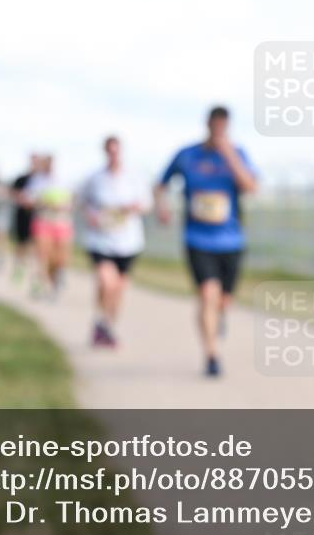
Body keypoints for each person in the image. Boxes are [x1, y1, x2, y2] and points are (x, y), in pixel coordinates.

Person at [155, 106, 259, 377]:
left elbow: (252, 187)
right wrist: (162, 207)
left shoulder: (238, 154)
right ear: (208, 125)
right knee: (207, 294)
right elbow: (160, 184)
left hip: (231, 239)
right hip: (197, 238)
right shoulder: (187, 155)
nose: (219, 133)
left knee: (223, 300)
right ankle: (212, 354)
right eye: (215, 127)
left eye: (224, 128)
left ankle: (219, 316)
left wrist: (229, 156)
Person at [78, 136, 152, 348]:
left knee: (118, 288)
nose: (113, 155)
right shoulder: (94, 178)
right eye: (109, 151)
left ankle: (105, 324)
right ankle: (102, 323)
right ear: (105, 152)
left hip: (128, 241)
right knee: (106, 281)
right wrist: (91, 215)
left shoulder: (135, 177)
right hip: (101, 240)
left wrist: (133, 207)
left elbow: (147, 204)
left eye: (116, 151)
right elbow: (82, 202)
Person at [25, 155, 73, 300]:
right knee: (43, 255)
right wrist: (43, 202)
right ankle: (41, 285)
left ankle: (54, 283)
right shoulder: (37, 181)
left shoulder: (64, 180)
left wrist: (63, 206)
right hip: (43, 220)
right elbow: (28, 200)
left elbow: (72, 202)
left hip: (61, 222)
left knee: (58, 259)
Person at [11, 155, 41, 283]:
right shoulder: (22, 179)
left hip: (38, 217)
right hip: (23, 215)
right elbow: (14, 193)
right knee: (22, 243)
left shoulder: (43, 180)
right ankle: (19, 270)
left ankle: (36, 276)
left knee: (37, 246)